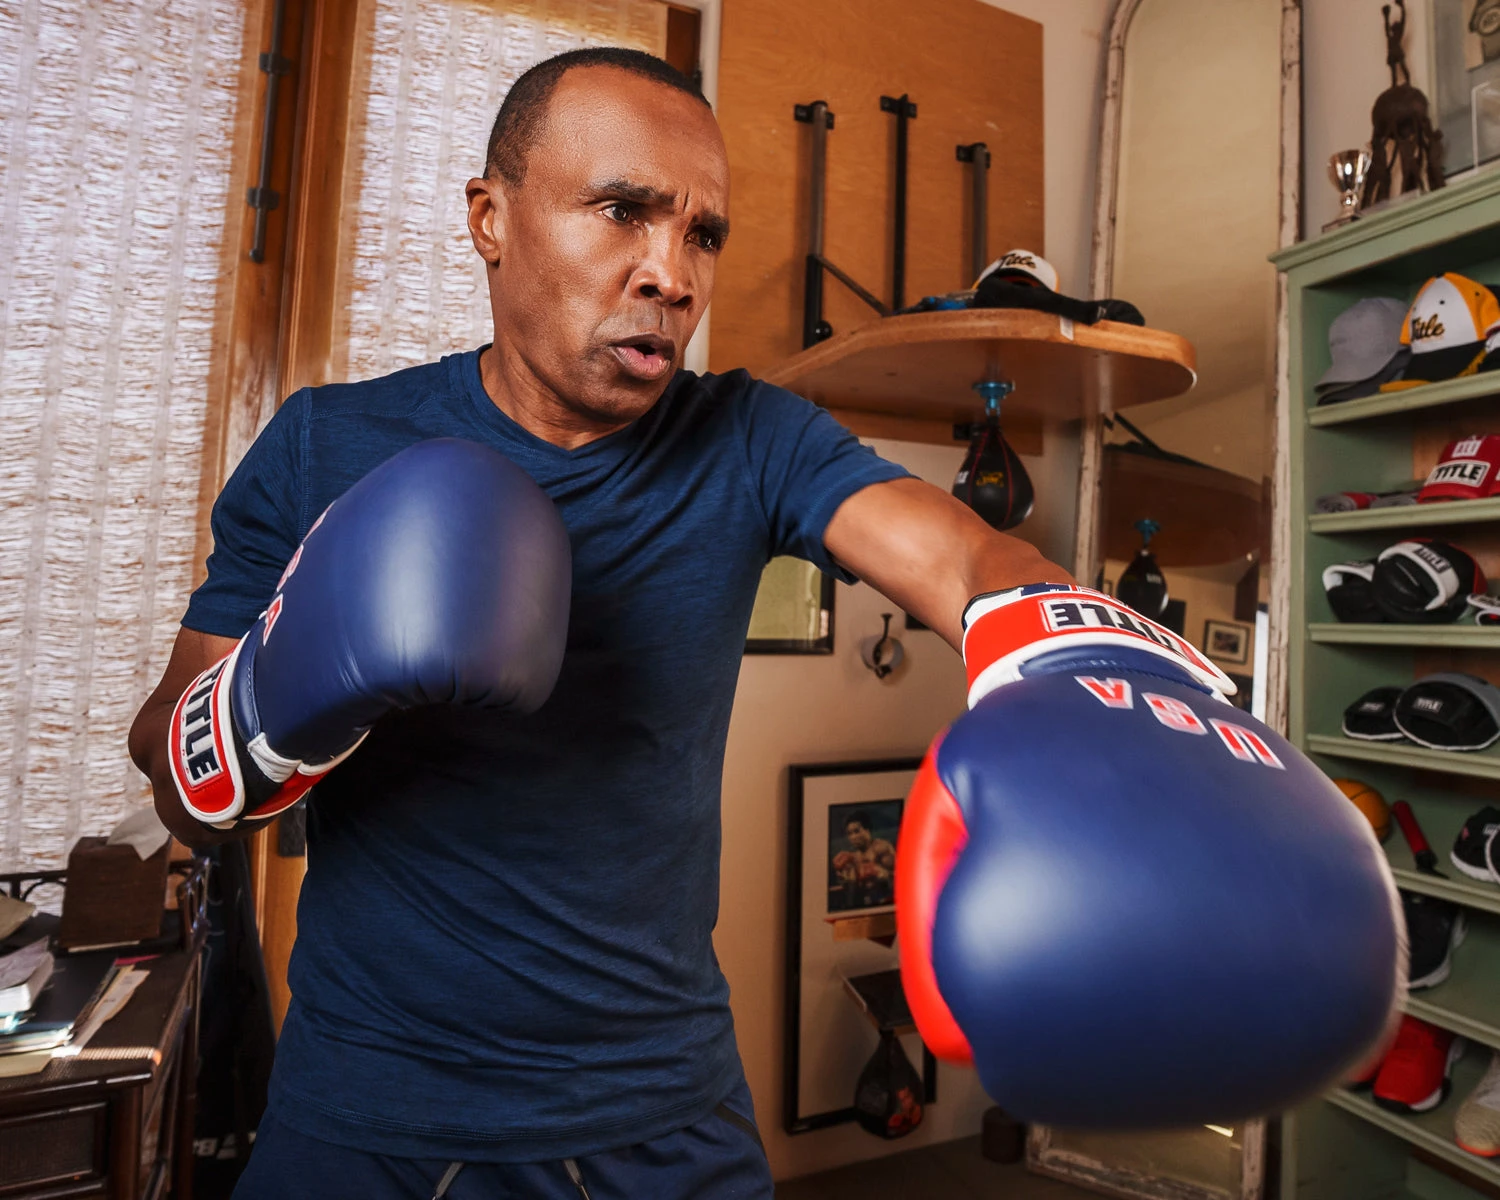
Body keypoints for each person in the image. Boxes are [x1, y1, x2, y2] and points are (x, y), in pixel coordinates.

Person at [129, 47, 1067, 1199]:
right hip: (367, 1109)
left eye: (703, 234)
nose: (670, 274)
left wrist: (1091, 665)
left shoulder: (747, 439)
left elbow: (960, 552)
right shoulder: (329, 444)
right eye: (622, 210)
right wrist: (285, 694)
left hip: (663, 1112)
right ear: (491, 215)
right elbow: (179, 787)